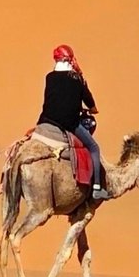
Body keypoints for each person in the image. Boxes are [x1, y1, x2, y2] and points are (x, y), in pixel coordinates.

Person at [37, 44, 107, 200]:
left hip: (45, 120)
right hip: (68, 123)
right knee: (94, 148)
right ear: (71, 60)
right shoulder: (77, 79)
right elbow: (91, 104)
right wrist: (80, 74)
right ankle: (97, 188)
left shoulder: (49, 77)